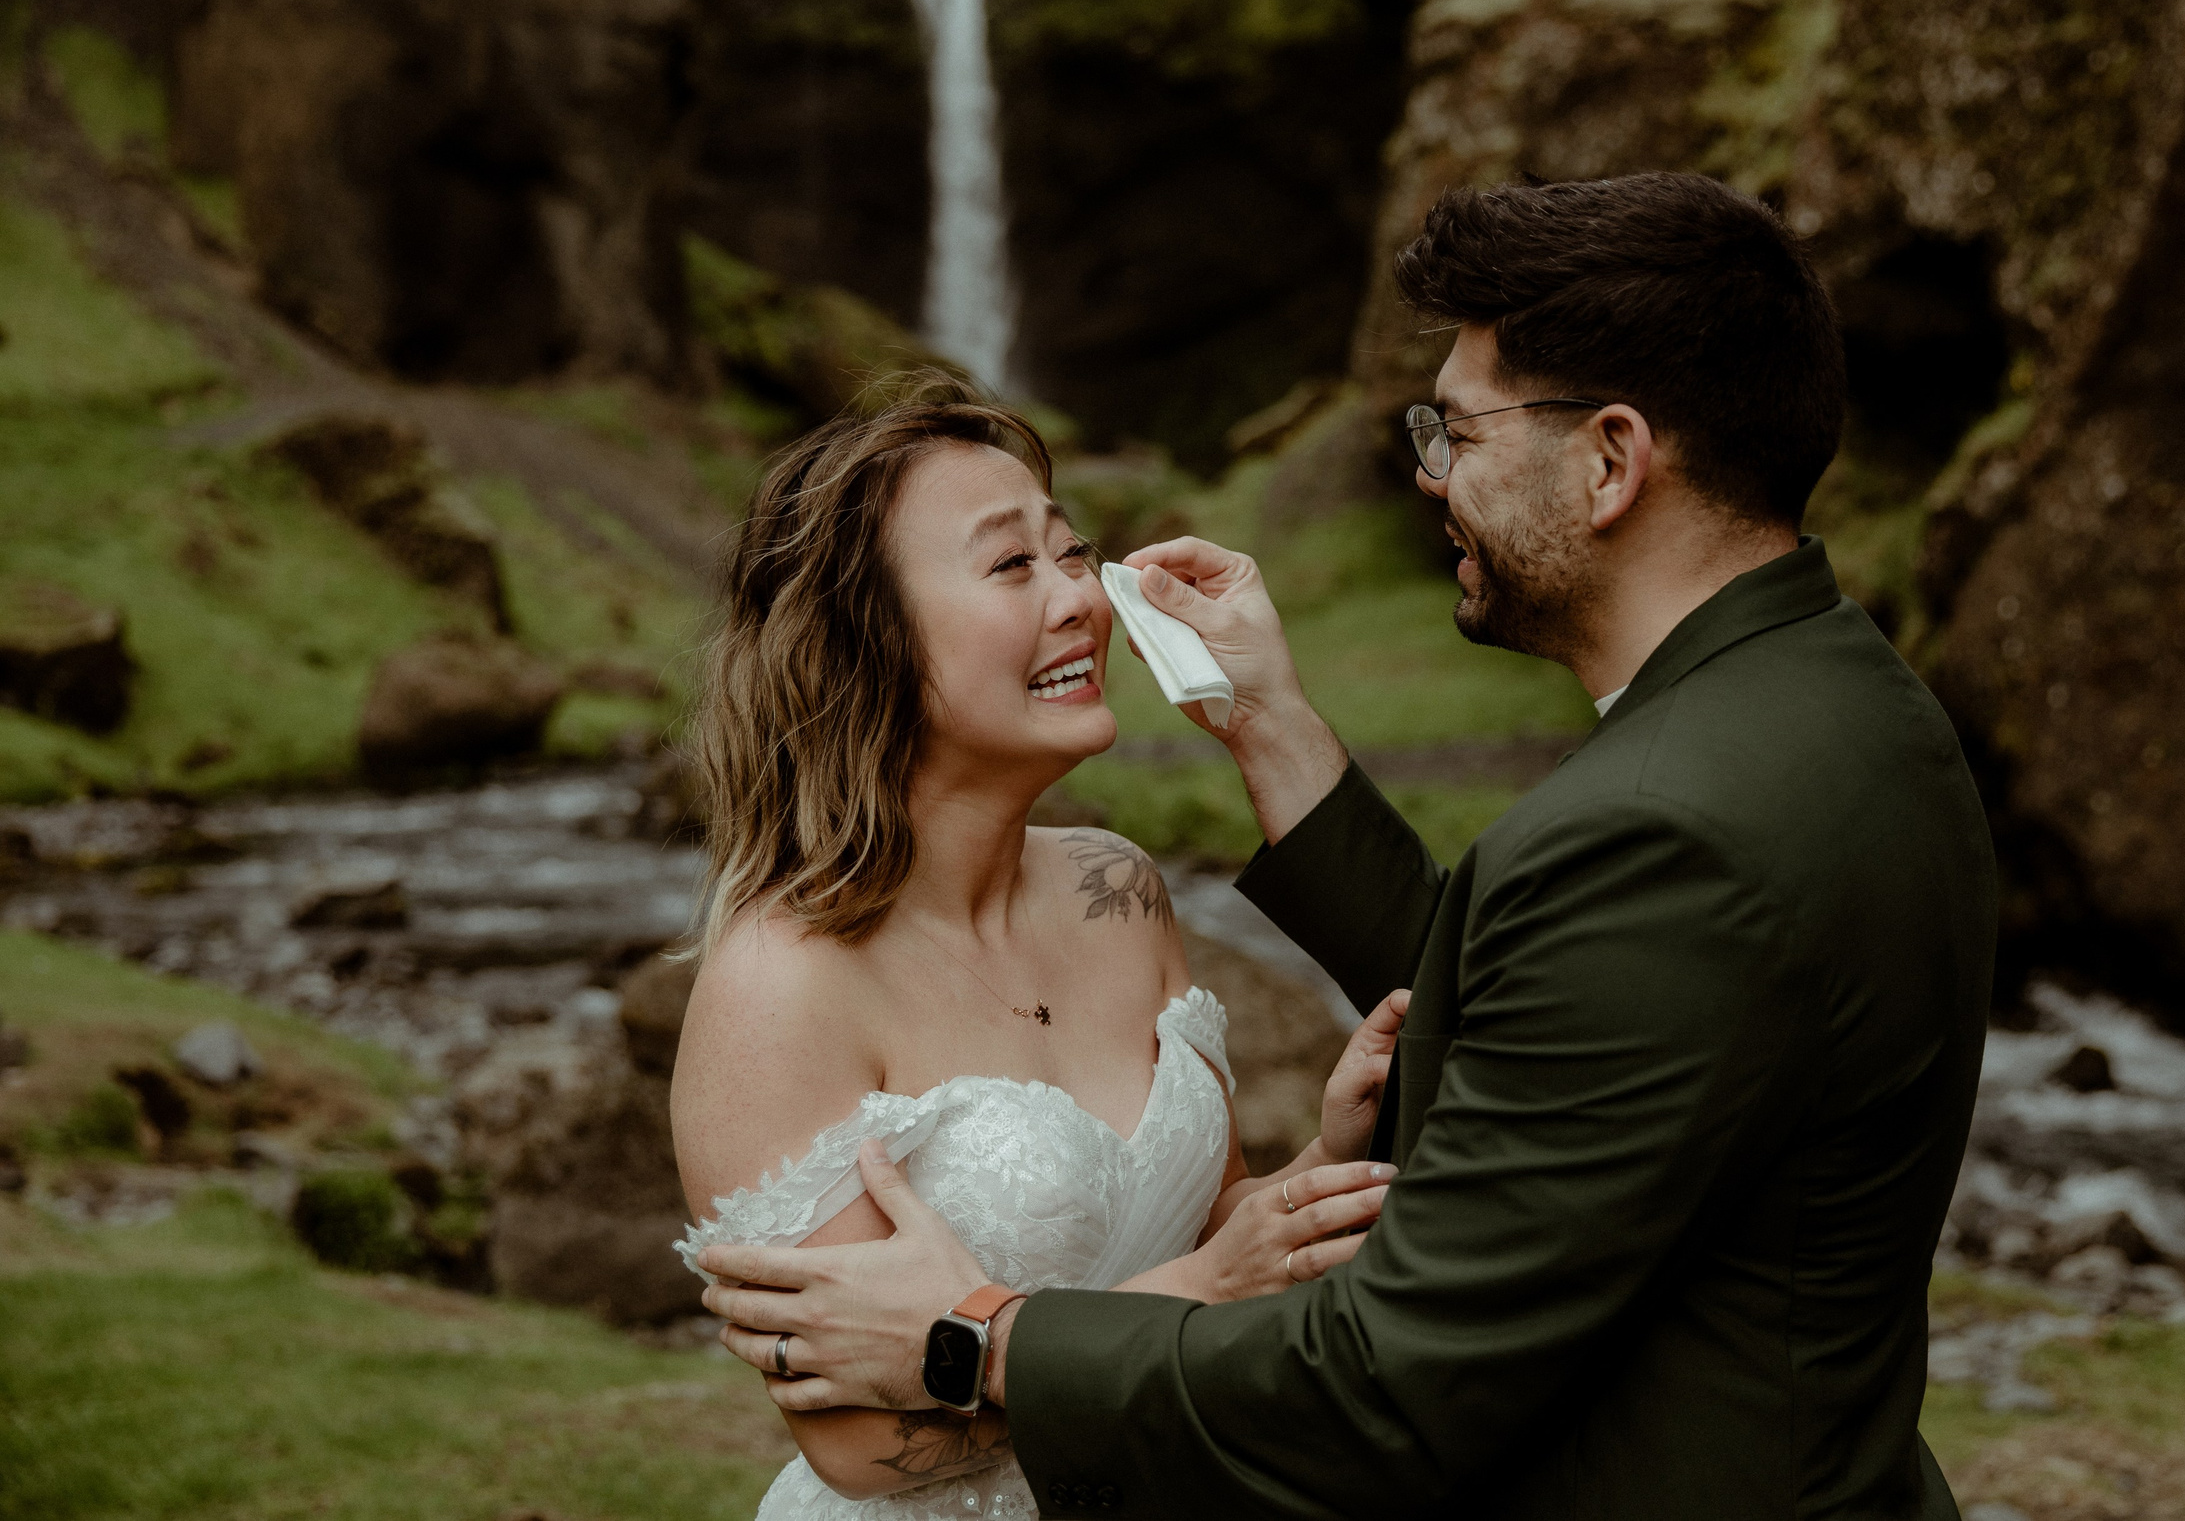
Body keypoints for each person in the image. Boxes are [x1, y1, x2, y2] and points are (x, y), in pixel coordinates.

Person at [697, 173, 1999, 1521]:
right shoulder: (1851, 706)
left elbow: (1384, 1385)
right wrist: (1270, 723)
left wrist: (971, 1330)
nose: (1430, 470)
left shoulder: (1659, 826)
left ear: (1612, 459)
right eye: (1011, 562)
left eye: (1459, 427)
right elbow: (1598, 1011)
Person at [667, 385, 1411, 1519]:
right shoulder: (780, 985)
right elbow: (862, 1443)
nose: (1081, 600)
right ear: (864, 638)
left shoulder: (1120, 889)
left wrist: (1322, 1160)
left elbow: (1205, 1222)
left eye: (1075, 554)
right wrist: (1206, 1293)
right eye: (1014, 567)